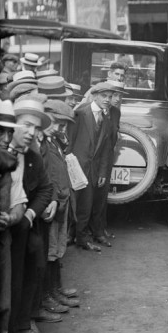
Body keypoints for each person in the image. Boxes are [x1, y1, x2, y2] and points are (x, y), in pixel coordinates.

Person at [7, 98, 55, 333]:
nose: (31, 133)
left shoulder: (33, 157)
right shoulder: (2, 152)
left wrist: (29, 214)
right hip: (4, 230)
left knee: (27, 273)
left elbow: (46, 188)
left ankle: (20, 328)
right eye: (25, 125)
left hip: (23, 230)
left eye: (35, 128)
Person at [40, 100, 80, 310]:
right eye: (58, 123)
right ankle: (48, 296)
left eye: (64, 126)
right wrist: (54, 199)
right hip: (52, 204)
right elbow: (47, 177)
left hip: (61, 201)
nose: (60, 129)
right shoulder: (44, 145)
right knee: (50, 251)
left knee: (57, 249)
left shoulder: (53, 141)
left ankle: (55, 290)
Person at [67, 82, 115, 252]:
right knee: (72, 203)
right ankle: (71, 236)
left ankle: (82, 238)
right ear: (94, 96)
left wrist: (102, 172)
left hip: (93, 171)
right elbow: (69, 142)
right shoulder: (80, 113)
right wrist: (69, 166)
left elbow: (105, 150)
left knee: (86, 206)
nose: (108, 100)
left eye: (110, 97)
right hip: (76, 167)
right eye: (104, 96)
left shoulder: (106, 118)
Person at [0, 98, 25, 333]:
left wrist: (12, 217)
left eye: (9, 131)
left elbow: (19, 202)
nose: (6, 138)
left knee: (2, 304)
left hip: (1, 240)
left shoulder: (9, 166)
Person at [90, 80, 126, 246]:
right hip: (91, 159)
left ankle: (99, 229)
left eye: (119, 95)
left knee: (102, 196)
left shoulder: (116, 113)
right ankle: (82, 232)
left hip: (107, 158)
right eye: (114, 95)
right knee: (87, 195)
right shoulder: (93, 111)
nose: (117, 99)